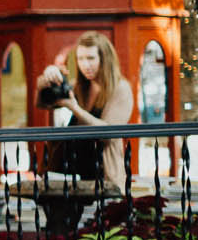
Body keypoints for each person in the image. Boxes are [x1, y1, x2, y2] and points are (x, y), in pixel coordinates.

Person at [36, 30, 133, 190]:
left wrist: (74, 108)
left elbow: (108, 134)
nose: (85, 64)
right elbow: (42, 104)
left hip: (100, 177)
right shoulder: (80, 87)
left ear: (105, 58)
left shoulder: (120, 88)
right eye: (80, 58)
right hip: (64, 176)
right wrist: (48, 78)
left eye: (91, 58)